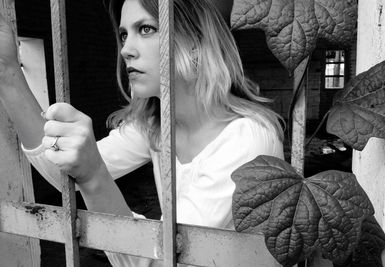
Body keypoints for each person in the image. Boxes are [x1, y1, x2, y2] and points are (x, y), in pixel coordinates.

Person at [0, 0, 284, 266]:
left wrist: (94, 175)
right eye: (124, 35)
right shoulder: (156, 124)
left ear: (196, 42)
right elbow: (62, 171)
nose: (125, 49)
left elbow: (163, 260)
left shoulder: (247, 138)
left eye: (146, 29)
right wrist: (8, 72)